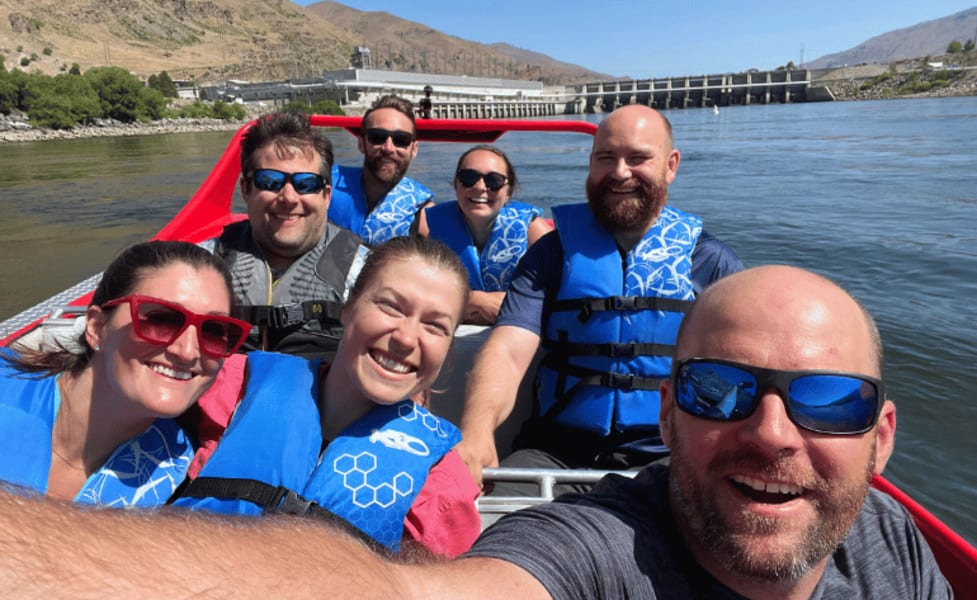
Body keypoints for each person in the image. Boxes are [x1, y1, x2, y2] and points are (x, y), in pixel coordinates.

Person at [0, 265, 951, 599]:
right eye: (717, 391)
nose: (775, 433)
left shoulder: (893, 546)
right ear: (669, 412)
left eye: (828, 400)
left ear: (882, 435)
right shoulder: (595, 550)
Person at [456, 104, 744, 494]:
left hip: (670, 458)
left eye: (638, 158)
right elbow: (508, 349)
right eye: (606, 158)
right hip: (555, 452)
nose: (620, 172)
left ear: (671, 165)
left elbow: (748, 368)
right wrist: (476, 432)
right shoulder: (551, 255)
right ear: (591, 164)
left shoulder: (710, 262)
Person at [173, 236, 481, 557]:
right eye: (390, 307)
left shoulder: (441, 484)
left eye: (434, 326)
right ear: (347, 310)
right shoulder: (232, 384)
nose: (406, 338)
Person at [0, 241, 248, 507]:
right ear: (97, 327)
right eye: (160, 319)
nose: (188, 351)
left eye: (213, 331)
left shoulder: (181, 475)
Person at [203, 109, 370, 358]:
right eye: (270, 181)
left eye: (306, 184)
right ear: (246, 189)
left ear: (326, 196)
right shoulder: (201, 263)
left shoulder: (367, 275)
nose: (289, 198)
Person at [424, 145, 553, 325]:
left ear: (508, 192)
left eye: (494, 181)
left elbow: (563, 293)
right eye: (468, 178)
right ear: (456, 184)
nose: (480, 187)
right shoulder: (434, 234)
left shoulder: (533, 231)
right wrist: (474, 300)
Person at [328, 95, 435, 246]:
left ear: (414, 149)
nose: (388, 148)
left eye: (401, 140)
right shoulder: (323, 185)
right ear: (361, 143)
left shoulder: (425, 216)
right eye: (377, 137)